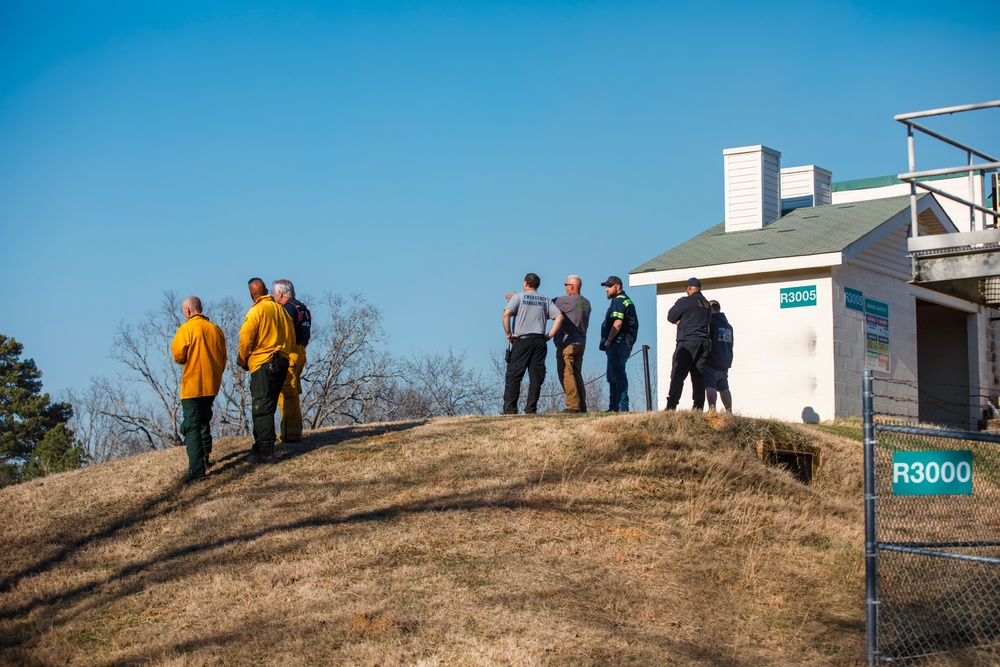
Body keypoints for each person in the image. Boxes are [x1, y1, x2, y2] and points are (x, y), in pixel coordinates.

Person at [237, 277, 295, 463]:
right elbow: (292, 337)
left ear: (252, 294)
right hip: (283, 361)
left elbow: (246, 338)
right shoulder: (281, 310)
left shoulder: (256, 311)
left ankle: (265, 450)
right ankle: (262, 444)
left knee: (261, 406)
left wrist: (243, 360)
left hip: (263, 362)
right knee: (269, 405)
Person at [171, 296, 227, 482]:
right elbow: (223, 356)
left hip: (192, 385)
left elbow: (178, 355)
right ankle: (205, 455)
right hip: (211, 384)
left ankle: (197, 471)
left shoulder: (186, 329)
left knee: (192, 426)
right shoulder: (215, 330)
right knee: (203, 420)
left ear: (188, 311)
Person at [502, 273, 564, 414]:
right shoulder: (545, 300)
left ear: (525, 284)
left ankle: (510, 410)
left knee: (514, 375)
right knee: (536, 376)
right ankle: (531, 409)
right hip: (539, 341)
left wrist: (509, 334)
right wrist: (549, 335)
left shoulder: (518, 297)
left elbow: (506, 314)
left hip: (522, 340)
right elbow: (559, 317)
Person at [273, 279, 311, 443]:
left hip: (290, 353)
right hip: (301, 351)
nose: (274, 296)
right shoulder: (302, 308)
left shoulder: (287, 309)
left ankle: (290, 434)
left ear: (280, 293)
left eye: (275, 293)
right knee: (293, 390)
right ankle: (292, 431)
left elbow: (283, 331)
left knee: (287, 393)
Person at [665, 277, 712, 411]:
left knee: (678, 373)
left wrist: (678, 320)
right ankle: (698, 407)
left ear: (688, 288)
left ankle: (671, 405)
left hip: (688, 342)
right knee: (698, 374)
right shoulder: (707, 304)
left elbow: (670, 316)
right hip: (704, 343)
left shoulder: (685, 301)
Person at [599, 276, 638, 412]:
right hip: (623, 342)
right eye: (606, 286)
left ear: (618, 287)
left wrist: (609, 340)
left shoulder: (619, 301)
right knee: (613, 375)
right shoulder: (626, 300)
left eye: (609, 286)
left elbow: (618, 322)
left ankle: (622, 406)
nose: (606, 289)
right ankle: (614, 407)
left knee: (617, 374)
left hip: (618, 343)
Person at [552, 275, 591, 413]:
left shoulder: (565, 301)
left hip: (567, 343)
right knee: (576, 374)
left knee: (565, 372)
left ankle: (573, 406)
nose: (565, 287)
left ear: (572, 286)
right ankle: (581, 406)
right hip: (581, 343)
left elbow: (545, 305)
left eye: (566, 284)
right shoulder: (586, 302)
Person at [705, 300, 734, 412]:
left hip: (712, 360)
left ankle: (712, 409)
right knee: (724, 387)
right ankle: (729, 411)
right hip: (725, 361)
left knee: (710, 385)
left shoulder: (711, 322)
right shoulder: (728, 326)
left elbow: (707, 341)